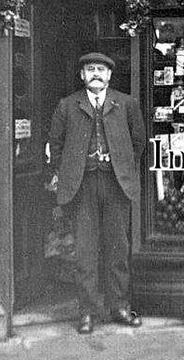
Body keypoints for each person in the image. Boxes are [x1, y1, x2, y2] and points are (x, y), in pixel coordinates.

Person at [49, 52, 146, 334]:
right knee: (85, 252)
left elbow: (138, 143)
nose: (96, 74)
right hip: (83, 186)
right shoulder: (67, 105)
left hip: (116, 185)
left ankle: (119, 307)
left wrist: (122, 168)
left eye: (101, 70)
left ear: (110, 76)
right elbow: (55, 146)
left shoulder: (126, 104)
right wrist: (70, 171)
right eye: (90, 69)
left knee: (118, 249)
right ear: (82, 75)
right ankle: (88, 312)